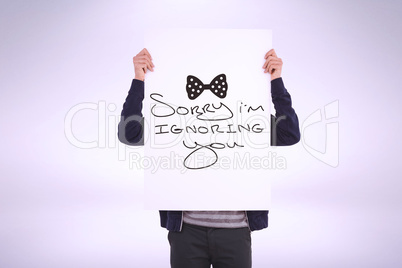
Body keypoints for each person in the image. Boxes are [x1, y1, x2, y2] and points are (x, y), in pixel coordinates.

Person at [118, 48, 300, 268]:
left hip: (236, 230)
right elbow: (129, 134)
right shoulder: (172, 117)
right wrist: (139, 80)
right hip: (186, 230)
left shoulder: (250, 118)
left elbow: (289, 134)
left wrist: (276, 81)